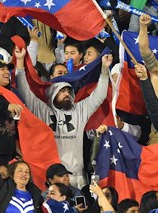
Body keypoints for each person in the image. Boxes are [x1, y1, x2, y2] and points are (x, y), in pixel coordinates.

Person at [15, 45, 112, 188]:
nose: (66, 94)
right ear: (52, 93)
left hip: (78, 177)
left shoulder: (79, 110)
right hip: (54, 178)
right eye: (62, 91)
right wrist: (20, 62)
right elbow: (25, 91)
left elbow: (99, 96)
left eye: (68, 91)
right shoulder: (42, 110)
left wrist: (104, 70)